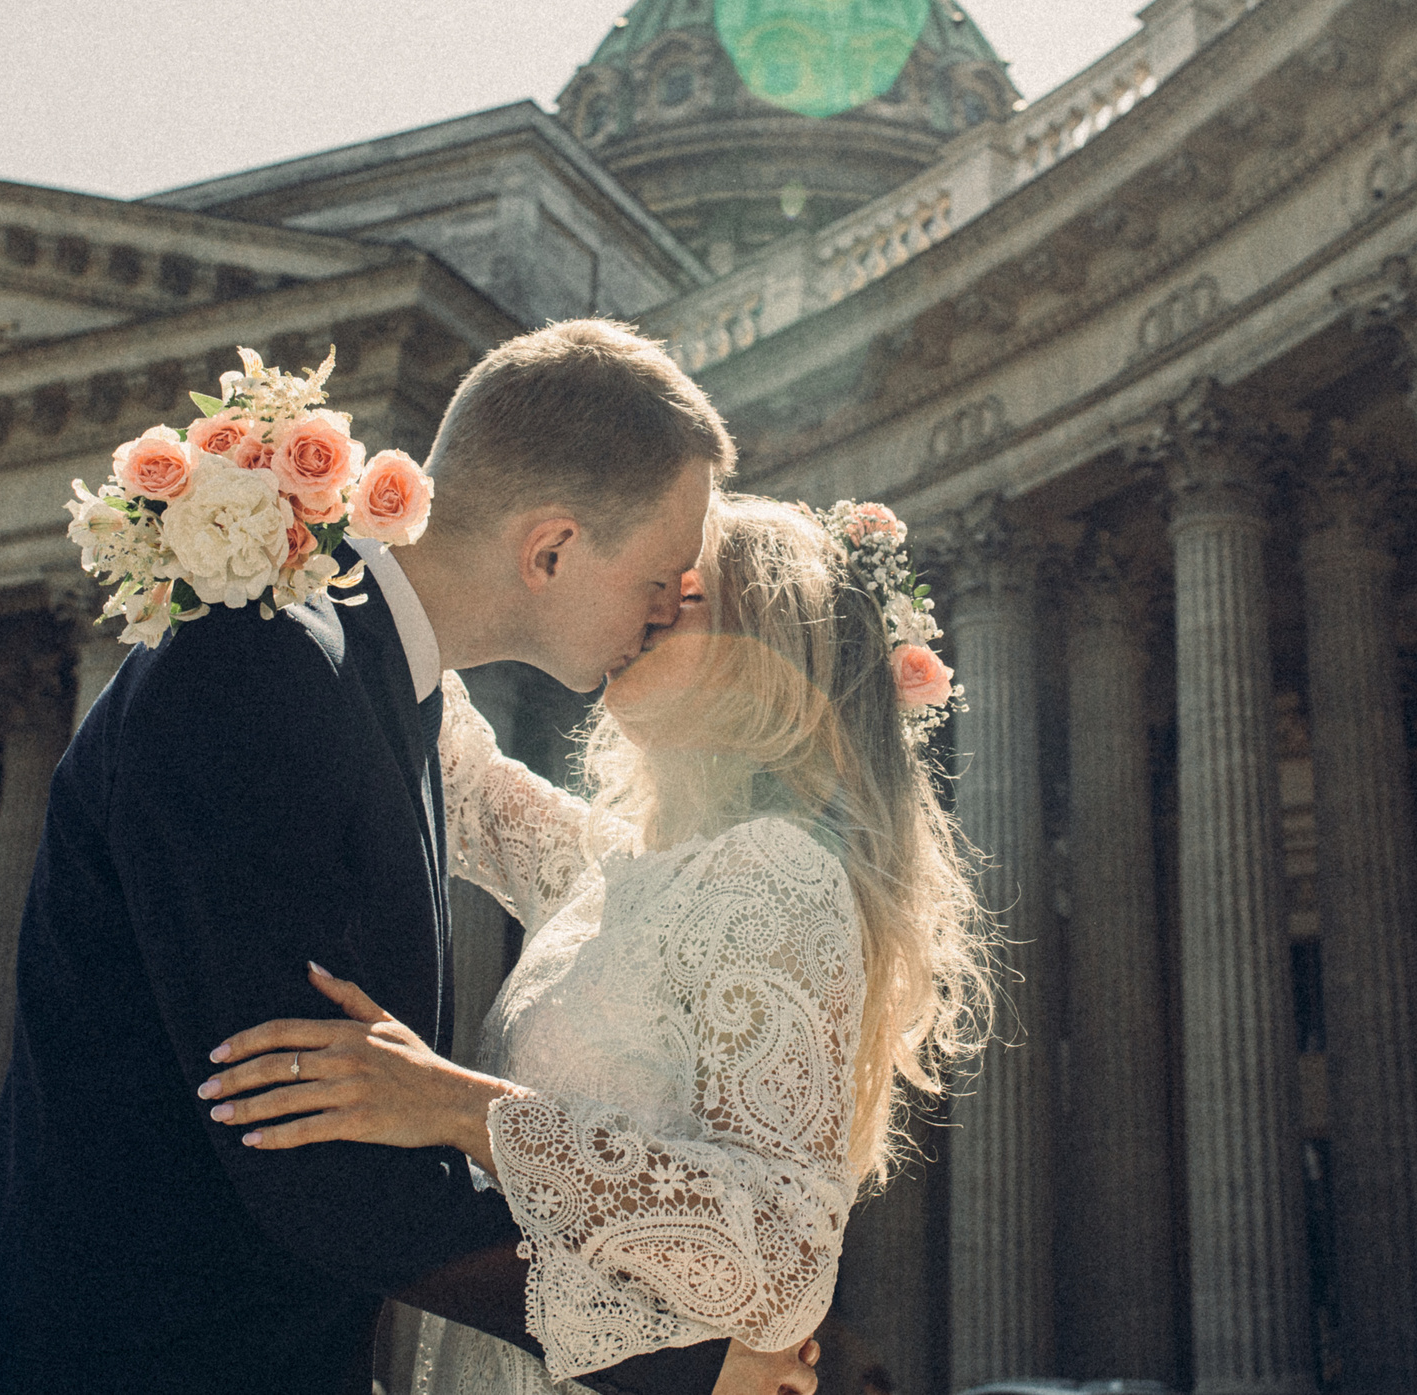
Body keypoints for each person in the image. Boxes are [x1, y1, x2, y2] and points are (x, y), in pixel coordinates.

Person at [0, 322, 817, 1395]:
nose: (672, 603)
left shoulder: (382, 689)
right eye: (663, 575)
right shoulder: (261, 672)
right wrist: (690, 1363)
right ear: (551, 549)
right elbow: (308, 1147)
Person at [195, 494, 991, 1395]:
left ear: (768, 656)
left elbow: (780, 1258)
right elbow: (466, 773)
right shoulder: (617, 868)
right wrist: (290, 509)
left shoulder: (780, 870)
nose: (642, 610)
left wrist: (456, 1106)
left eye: (678, 597)